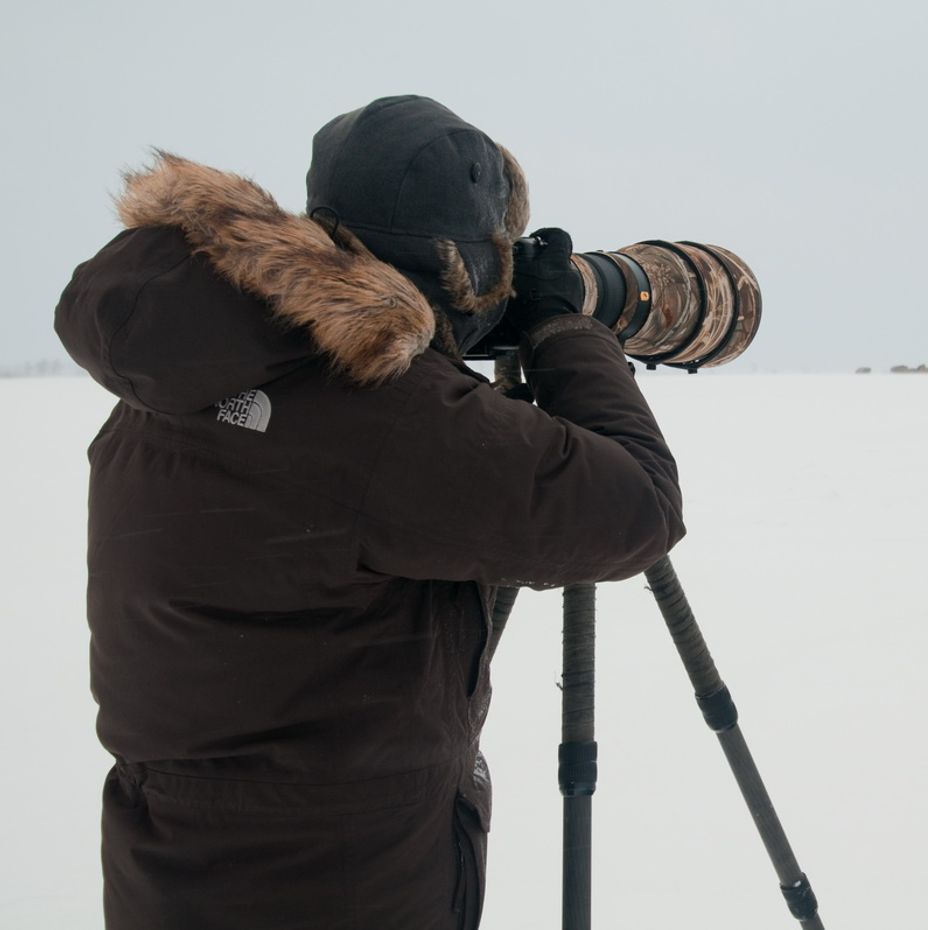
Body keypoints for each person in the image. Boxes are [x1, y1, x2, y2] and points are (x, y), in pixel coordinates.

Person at [54, 95, 684, 930]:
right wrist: (565, 330)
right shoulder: (384, 413)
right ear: (471, 268)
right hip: (348, 882)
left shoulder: (195, 358)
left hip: (169, 870)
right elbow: (634, 508)